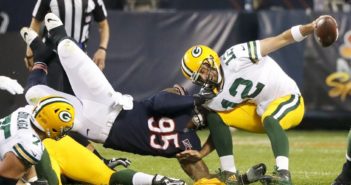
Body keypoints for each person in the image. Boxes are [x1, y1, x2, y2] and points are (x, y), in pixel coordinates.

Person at [20, 13, 268, 185]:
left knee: (35, 96)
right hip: (109, 107)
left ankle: (45, 53)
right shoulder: (182, 124)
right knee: (62, 58)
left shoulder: (187, 133)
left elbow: (160, 104)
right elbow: (158, 103)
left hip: (98, 124)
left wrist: (202, 156)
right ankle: (52, 44)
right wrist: (195, 104)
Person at [179, 15, 331, 185]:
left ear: (212, 58)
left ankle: (283, 174)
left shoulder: (237, 57)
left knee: (270, 118)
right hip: (260, 111)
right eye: (199, 76)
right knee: (216, 116)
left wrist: (310, 27)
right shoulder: (210, 96)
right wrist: (201, 153)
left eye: (205, 69)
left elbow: (282, 39)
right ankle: (230, 174)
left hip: (289, 99)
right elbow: (217, 133)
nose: (205, 76)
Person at [25, 0, 110, 95]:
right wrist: (30, 51)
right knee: (49, 94)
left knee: (76, 96)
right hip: (52, 53)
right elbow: (36, 22)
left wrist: (102, 49)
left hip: (78, 53)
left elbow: (103, 25)